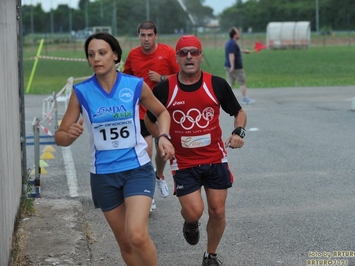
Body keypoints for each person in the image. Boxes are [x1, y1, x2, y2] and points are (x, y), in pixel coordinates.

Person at [55, 32, 174, 266]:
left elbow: (161, 112)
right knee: (125, 243)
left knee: (137, 235)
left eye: (102, 53)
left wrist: (164, 136)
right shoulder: (81, 92)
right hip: (103, 175)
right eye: (91, 55)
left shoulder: (135, 85)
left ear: (115, 55)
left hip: (136, 169)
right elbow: (60, 137)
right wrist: (68, 135)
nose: (96, 59)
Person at [145, 35, 247, 266]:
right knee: (194, 212)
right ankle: (190, 223)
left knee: (218, 211)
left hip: (215, 159)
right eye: (183, 53)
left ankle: (210, 255)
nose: (189, 56)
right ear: (177, 58)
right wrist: (162, 137)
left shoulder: (217, 84)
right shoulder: (164, 88)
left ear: (201, 56)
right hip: (184, 163)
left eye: (193, 52)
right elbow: (149, 119)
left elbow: (239, 112)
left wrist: (238, 132)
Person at [123, 21, 180, 209]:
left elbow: (182, 76)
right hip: (141, 110)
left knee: (162, 152)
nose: (146, 39)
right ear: (138, 36)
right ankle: (147, 195)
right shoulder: (133, 55)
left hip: (162, 111)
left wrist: (162, 78)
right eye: (142, 35)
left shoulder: (168, 52)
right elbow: (126, 78)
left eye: (149, 35)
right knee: (146, 150)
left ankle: (159, 176)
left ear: (156, 36)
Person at [224, 27, 255, 105]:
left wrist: (244, 51)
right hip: (236, 68)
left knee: (230, 83)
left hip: (228, 66)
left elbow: (235, 50)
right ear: (234, 35)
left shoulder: (230, 42)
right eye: (238, 33)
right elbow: (231, 54)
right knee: (242, 82)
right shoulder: (233, 43)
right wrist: (232, 66)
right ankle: (245, 98)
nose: (239, 34)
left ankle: (223, 97)